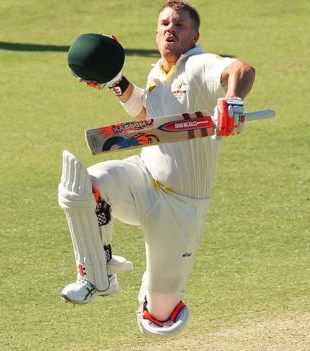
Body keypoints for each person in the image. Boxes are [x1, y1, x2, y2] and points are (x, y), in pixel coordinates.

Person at [58, 0, 255, 337]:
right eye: (164, 23)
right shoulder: (156, 73)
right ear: (155, 33)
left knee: (160, 319)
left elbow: (242, 69)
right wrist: (117, 82)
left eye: (179, 25)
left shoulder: (198, 65)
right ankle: (97, 273)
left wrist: (232, 99)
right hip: (143, 179)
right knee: (84, 185)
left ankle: (155, 299)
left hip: (181, 205)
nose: (170, 29)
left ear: (194, 35)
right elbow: (146, 115)